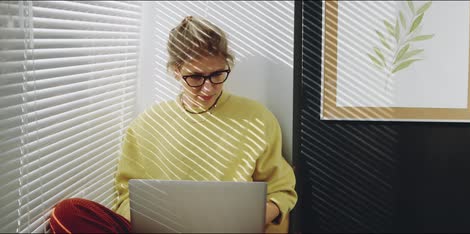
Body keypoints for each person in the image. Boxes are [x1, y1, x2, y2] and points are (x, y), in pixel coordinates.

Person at [48, 16, 297, 233]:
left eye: (218, 74)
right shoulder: (148, 124)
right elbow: (127, 195)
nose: (208, 87)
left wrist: (249, 220)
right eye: (196, 77)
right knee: (68, 212)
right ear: (177, 71)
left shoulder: (256, 118)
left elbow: (282, 190)